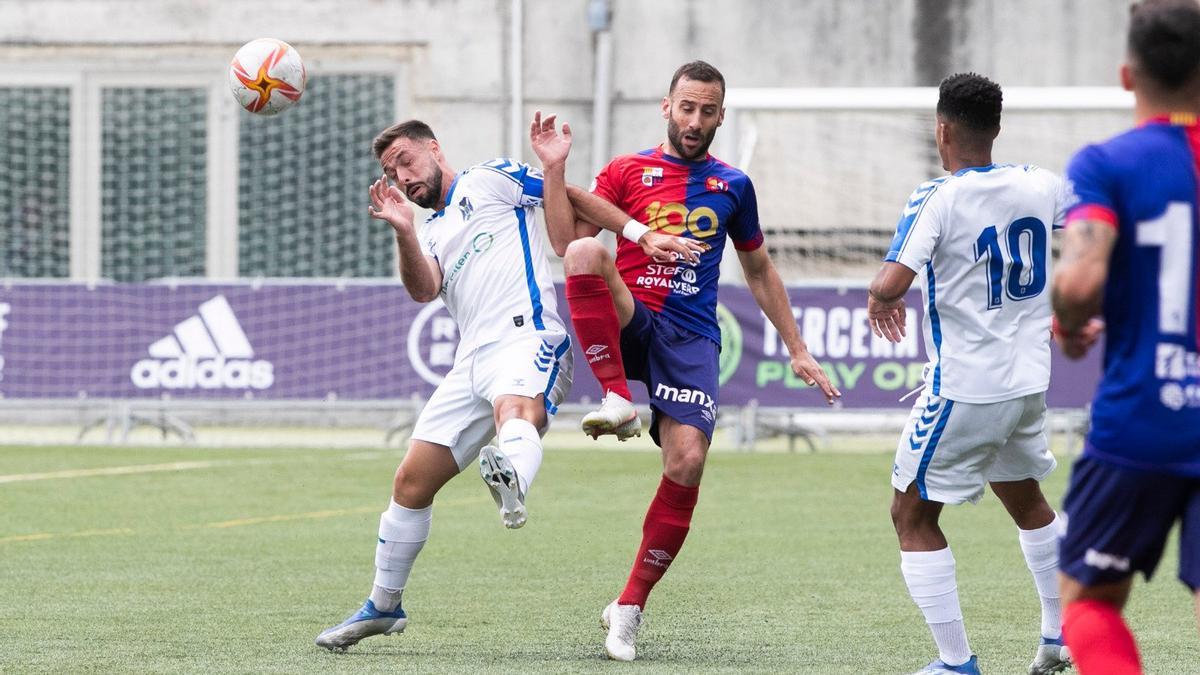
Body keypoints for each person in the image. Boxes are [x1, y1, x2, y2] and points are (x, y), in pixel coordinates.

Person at [540, 60, 840, 662]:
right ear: (666, 106)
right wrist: (555, 170)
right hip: (631, 316)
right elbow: (563, 242)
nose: (696, 120)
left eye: (708, 111)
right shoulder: (627, 171)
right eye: (687, 107)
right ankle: (617, 396)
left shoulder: (734, 185)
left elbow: (758, 269)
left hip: (691, 337)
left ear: (720, 115)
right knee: (579, 251)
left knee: (688, 461)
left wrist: (797, 347)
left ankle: (628, 607)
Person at [314, 117, 604, 651]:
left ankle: (512, 475)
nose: (401, 176)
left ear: (433, 149)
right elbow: (424, 290)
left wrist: (636, 231)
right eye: (390, 171)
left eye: (405, 160)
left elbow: (574, 199)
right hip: (469, 362)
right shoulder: (430, 229)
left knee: (515, 411)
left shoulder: (490, 177)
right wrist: (403, 231)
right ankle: (383, 605)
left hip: (527, 335)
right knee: (410, 482)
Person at [867, 73, 1073, 675]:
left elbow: (891, 280)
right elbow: (1093, 228)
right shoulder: (1041, 183)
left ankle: (956, 663)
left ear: (943, 130)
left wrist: (881, 299)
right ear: (997, 129)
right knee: (1027, 499)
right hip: (1029, 382)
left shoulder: (938, 195)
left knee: (910, 514)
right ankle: (1059, 635)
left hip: (965, 387)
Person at [1053, 1, 1200, 672]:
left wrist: (1074, 321)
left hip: (1143, 417)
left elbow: (1081, 285)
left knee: (1090, 598)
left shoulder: (1107, 163)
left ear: (1126, 75)